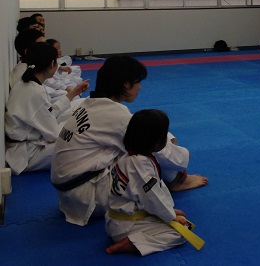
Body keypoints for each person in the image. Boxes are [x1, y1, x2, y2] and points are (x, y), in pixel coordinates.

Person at [51, 56, 208, 226]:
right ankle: (176, 180)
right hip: (88, 196)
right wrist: (183, 159)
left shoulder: (87, 103)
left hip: (69, 195)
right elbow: (157, 148)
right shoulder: (115, 114)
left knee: (146, 132)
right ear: (126, 84)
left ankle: (174, 178)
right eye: (138, 82)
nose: (140, 87)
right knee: (150, 144)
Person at [105, 110, 191, 256]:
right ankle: (133, 244)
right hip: (126, 225)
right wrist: (170, 216)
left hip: (121, 217)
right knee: (181, 233)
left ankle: (135, 236)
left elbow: (149, 194)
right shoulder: (141, 168)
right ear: (157, 143)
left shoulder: (129, 157)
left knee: (180, 221)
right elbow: (153, 197)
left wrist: (169, 211)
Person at [5, 42, 89, 174]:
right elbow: (54, 135)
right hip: (26, 154)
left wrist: (73, 93)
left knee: (81, 106)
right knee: (82, 139)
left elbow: (49, 112)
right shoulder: (34, 91)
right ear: (52, 64)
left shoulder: (28, 84)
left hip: (31, 142)